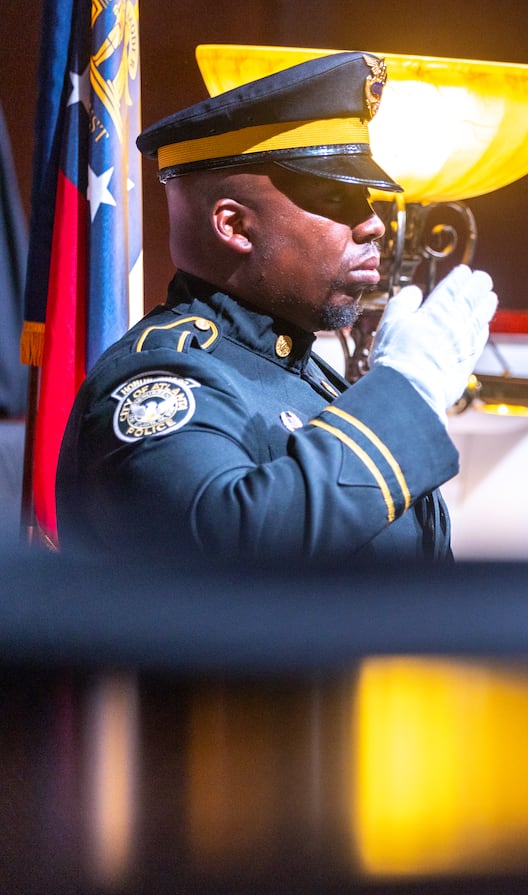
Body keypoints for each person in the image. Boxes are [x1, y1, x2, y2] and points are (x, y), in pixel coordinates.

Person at [55, 51, 497, 561]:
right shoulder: (159, 382)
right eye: (337, 198)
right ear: (235, 226)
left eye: (369, 200)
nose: (373, 224)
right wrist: (405, 395)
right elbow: (235, 546)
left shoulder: (311, 377)